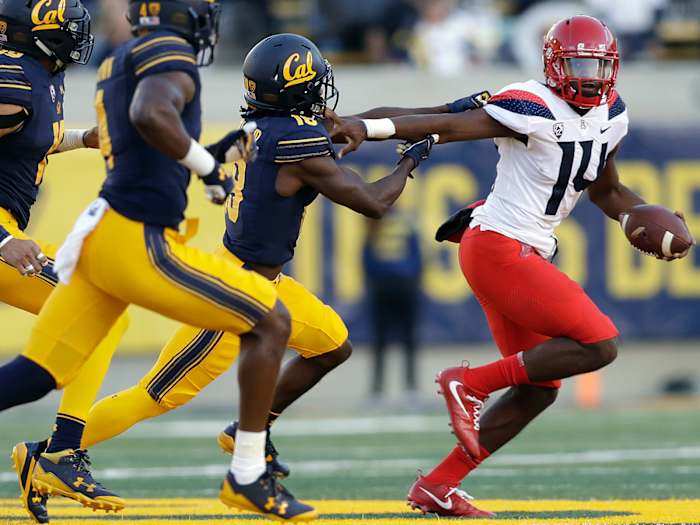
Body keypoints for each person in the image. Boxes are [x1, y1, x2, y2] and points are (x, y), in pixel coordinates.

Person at [28, 32, 436, 494]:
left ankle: (248, 430)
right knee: (156, 395)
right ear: (298, 88)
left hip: (268, 283)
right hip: (235, 290)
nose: (321, 93)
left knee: (332, 346)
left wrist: (439, 114)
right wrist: (409, 162)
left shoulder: (269, 127)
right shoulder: (296, 140)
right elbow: (374, 202)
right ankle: (48, 454)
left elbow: (345, 135)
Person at [333, 15, 692, 517]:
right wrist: (364, 126)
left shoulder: (612, 113)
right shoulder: (529, 103)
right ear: (553, 66)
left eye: (596, 65)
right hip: (498, 247)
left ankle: (438, 485)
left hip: (523, 252)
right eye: (577, 65)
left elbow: (607, 191)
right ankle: (470, 383)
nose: (588, 76)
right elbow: (444, 123)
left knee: (538, 390)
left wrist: (644, 216)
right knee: (600, 344)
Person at [0, 0, 316, 521]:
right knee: (270, 319)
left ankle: (60, 453)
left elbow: (144, 142)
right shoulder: (165, 53)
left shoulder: (118, 60)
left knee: (35, 375)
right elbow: (151, 116)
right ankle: (247, 474)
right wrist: (208, 165)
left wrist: (212, 154)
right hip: (132, 237)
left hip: (107, 231)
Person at [0, 1, 130, 522]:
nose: (77, 33)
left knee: (101, 312)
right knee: (99, 308)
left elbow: (30, 138)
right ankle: (60, 453)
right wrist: (1, 240)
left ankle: (60, 452)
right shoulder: (11, 80)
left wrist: (82, 139)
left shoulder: (35, 73)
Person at [363, 207, 423, 397]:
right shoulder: (375, 220)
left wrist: (410, 277)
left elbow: (416, 253)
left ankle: (409, 386)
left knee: (408, 338)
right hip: (383, 286)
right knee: (381, 339)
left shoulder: (403, 221)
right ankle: (379, 387)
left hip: (402, 286)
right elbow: (367, 252)